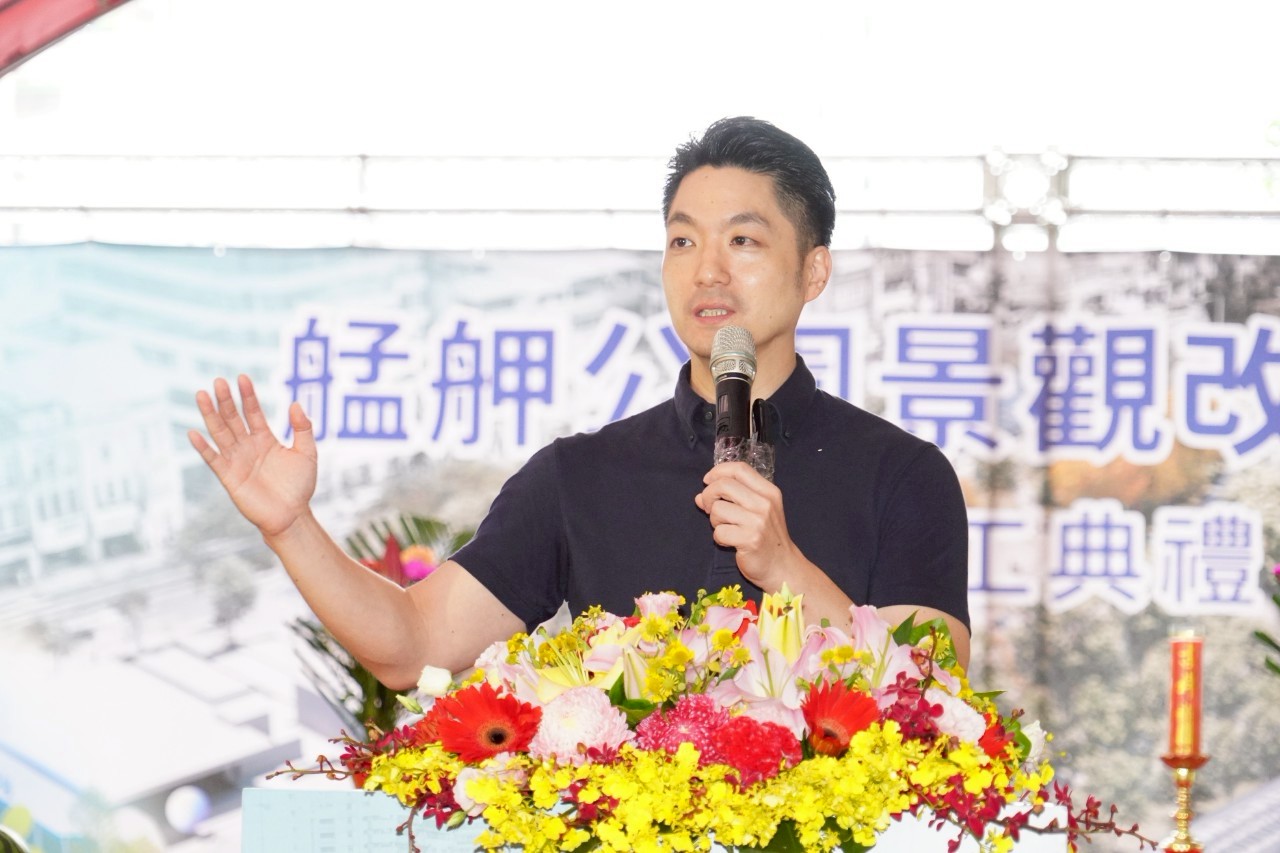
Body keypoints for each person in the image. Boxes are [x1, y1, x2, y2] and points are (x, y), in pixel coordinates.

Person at [189, 117, 971, 690]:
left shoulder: (902, 475)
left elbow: (935, 692)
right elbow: (413, 644)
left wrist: (787, 567)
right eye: (683, 240)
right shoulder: (581, 475)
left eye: (743, 241)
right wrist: (291, 527)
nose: (707, 271)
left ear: (814, 271)